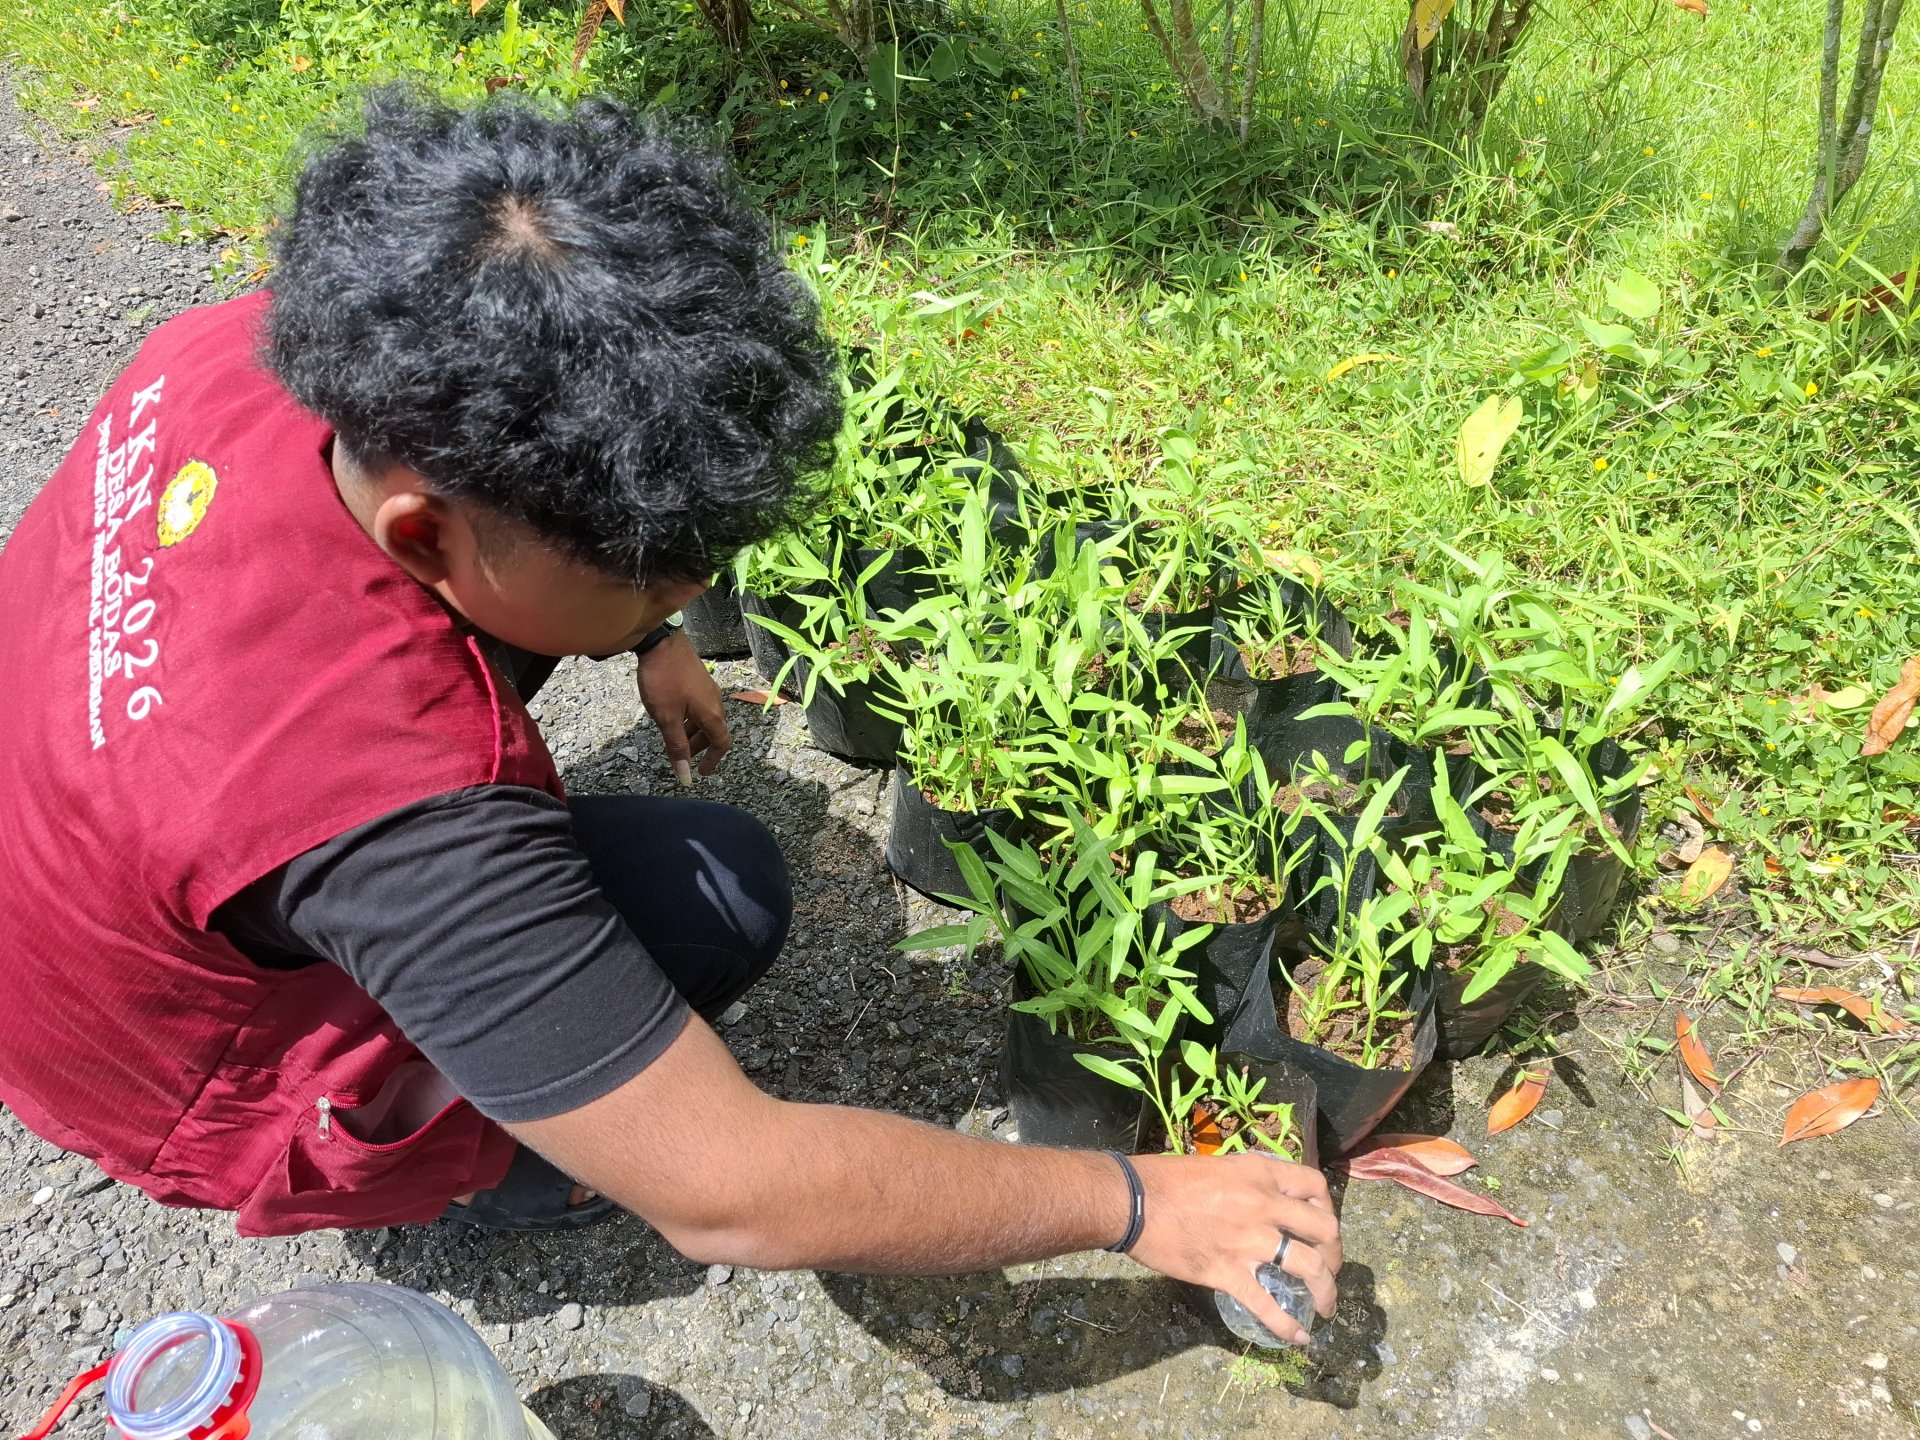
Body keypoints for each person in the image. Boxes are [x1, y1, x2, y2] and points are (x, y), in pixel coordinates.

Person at [0, 87, 1338, 1345]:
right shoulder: (390, 808)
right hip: (152, 1052)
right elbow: (734, 1188)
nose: (699, 591)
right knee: (722, 912)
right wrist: (1144, 1201)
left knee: (702, 873)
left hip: (92, 829)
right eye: (655, 565)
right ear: (427, 537)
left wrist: (637, 623)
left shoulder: (276, 352)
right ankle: (487, 1175)